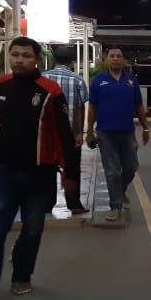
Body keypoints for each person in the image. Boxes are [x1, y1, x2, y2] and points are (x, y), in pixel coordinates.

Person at [0, 37, 73, 300]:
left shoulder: (50, 91)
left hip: (39, 174)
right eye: (15, 55)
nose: (19, 60)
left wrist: (71, 176)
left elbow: (65, 136)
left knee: (32, 229)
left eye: (25, 55)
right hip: (2, 172)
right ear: (8, 57)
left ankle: (22, 275)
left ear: (36, 59)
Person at [86, 47, 150, 222]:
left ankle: (120, 193)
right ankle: (115, 206)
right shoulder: (98, 81)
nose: (115, 59)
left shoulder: (131, 81)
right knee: (112, 172)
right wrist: (89, 131)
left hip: (127, 132)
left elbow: (139, 106)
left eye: (119, 56)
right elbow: (92, 108)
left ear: (123, 61)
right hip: (105, 134)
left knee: (131, 167)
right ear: (107, 60)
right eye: (112, 56)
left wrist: (145, 127)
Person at [43, 47, 90, 214]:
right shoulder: (77, 80)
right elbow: (79, 108)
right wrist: (79, 133)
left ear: (54, 60)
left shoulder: (43, 78)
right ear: (72, 62)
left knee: (47, 170)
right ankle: (74, 205)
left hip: (46, 135)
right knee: (72, 170)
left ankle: (46, 205)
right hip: (69, 134)